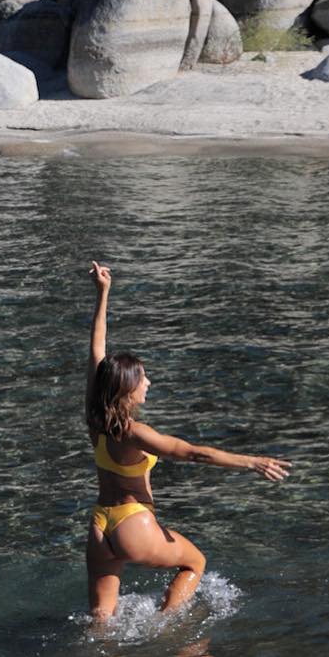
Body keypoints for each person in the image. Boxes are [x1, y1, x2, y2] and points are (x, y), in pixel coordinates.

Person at [85, 261, 291, 621]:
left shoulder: (95, 418)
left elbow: (97, 351)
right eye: (143, 378)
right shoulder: (135, 433)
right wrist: (251, 462)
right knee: (195, 562)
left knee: (102, 618)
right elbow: (192, 453)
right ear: (127, 388)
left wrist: (103, 295)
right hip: (134, 522)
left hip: (100, 524)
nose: (148, 383)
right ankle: (164, 631)